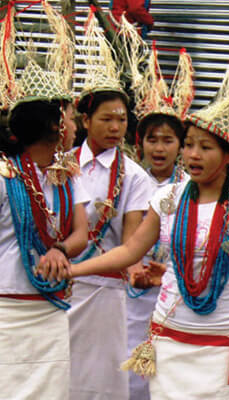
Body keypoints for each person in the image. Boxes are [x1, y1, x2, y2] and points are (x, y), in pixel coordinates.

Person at [71, 104, 229, 399]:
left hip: (224, 343)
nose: (193, 154)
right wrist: (74, 270)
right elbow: (131, 249)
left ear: (228, 156)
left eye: (205, 147)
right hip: (170, 338)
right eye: (189, 145)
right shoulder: (167, 198)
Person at [0, 3, 89, 397]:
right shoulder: (4, 176)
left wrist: (58, 249)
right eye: (69, 117)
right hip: (6, 304)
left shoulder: (69, 176)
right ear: (55, 126)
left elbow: (82, 234)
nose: (73, 126)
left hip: (50, 303)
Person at [67, 10, 153, 400]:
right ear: (86, 120)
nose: (116, 127)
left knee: (101, 380)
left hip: (104, 288)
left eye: (122, 119)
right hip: (57, 282)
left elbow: (132, 238)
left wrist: (135, 266)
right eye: (107, 119)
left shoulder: (134, 175)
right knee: (58, 372)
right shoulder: (62, 165)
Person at [124, 41, 192, 400]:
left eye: (168, 140)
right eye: (153, 140)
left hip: (176, 290)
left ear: (181, 146)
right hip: (133, 293)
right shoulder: (128, 182)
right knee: (133, 368)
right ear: (141, 145)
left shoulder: (193, 188)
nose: (160, 148)